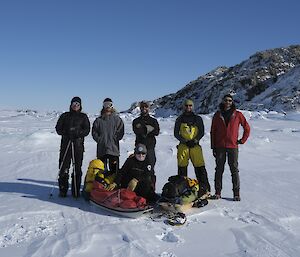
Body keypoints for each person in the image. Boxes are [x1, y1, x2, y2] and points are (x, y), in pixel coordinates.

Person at [210, 94, 250, 201]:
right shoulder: (217, 115)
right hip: (219, 146)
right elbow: (213, 131)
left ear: (232, 102)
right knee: (219, 170)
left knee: (234, 170)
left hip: (232, 146)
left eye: (230, 100)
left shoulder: (237, 114)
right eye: (226, 100)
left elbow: (247, 128)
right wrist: (213, 146)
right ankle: (217, 192)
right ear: (223, 101)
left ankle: (236, 194)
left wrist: (242, 140)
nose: (228, 102)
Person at [174, 99, 211, 199]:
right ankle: (182, 189)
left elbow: (201, 132)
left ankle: (205, 189)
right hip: (183, 146)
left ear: (192, 106)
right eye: (186, 105)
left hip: (195, 146)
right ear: (183, 107)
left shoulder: (198, 119)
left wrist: (194, 141)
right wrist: (185, 141)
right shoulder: (179, 119)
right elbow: (176, 133)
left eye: (190, 105)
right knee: (182, 170)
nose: (188, 107)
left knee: (200, 168)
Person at [55, 96, 90, 197]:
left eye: (78, 104)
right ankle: (63, 189)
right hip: (66, 145)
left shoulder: (83, 117)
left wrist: (78, 133)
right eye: (74, 104)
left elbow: (87, 130)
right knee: (63, 168)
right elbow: (58, 128)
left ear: (80, 106)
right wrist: (66, 132)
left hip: (78, 146)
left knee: (77, 169)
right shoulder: (65, 116)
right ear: (71, 105)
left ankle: (75, 191)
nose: (76, 106)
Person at [92, 98, 124, 174]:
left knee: (114, 172)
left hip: (113, 149)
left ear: (112, 106)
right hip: (102, 149)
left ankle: (113, 185)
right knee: (101, 171)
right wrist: (100, 139)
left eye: (109, 105)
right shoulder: (99, 120)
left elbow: (121, 131)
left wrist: (115, 138)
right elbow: (94, 132)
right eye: (105, 105)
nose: (107, 107)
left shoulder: (117, 119)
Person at [132, 100, 160, 168]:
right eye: (142, 107)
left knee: (150, 168)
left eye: (146, 106)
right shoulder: (136, 121)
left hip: (150, 147)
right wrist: (149, 129)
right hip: (139, 148)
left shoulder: (153, 121)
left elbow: (156, 132)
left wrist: (144, 129)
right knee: (138, 168)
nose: (144, 108)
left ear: (149, 108)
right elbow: (137, 131)